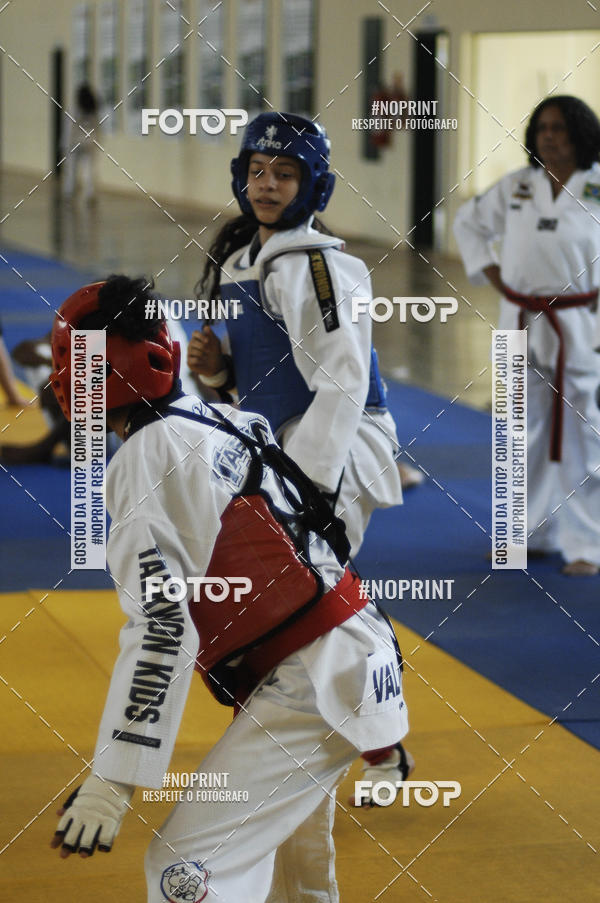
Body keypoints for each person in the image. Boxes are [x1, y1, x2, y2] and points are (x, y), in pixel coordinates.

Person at [48, 276, 409, 903]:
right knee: (299, 873)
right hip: (346, 659)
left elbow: (163, 623)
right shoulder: (219, 419)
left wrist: (115, 779)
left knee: (184, 869)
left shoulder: (149, 456)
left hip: (310, 680)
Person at [186, 113, 416, 809]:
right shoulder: (247, 262)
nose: (267, 184)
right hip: (281, 451)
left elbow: (343, 382)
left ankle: (372, 743)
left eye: (284, 174)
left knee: (316, 607)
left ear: (312, 185)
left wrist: (307, 486)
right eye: (257, 170)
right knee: (304, 607)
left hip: (335, 451)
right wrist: (222, 374)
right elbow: (274, 374)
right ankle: (367, 743)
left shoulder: (319, 268)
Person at [454, 95, 600, 576]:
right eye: (541, 128)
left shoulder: (597, 187)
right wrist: (493, 276)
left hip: (579, 323)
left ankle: (586, 544)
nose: (549, 136)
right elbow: (468, 223)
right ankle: (526, 534)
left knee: (582, 434)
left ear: (580, 134)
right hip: (519, 317)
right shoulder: (518, 186)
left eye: (559, 127)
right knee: (520, 432)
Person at [62, 83, 100, 204]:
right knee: (89, 168)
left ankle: (69, 191)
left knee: (72, 168)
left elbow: (69, 128)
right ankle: (90, 193)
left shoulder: (74, 109)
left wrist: (65, 145)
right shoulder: (93, 110)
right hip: (89, 141)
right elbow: (98, 127)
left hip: (75, 142)